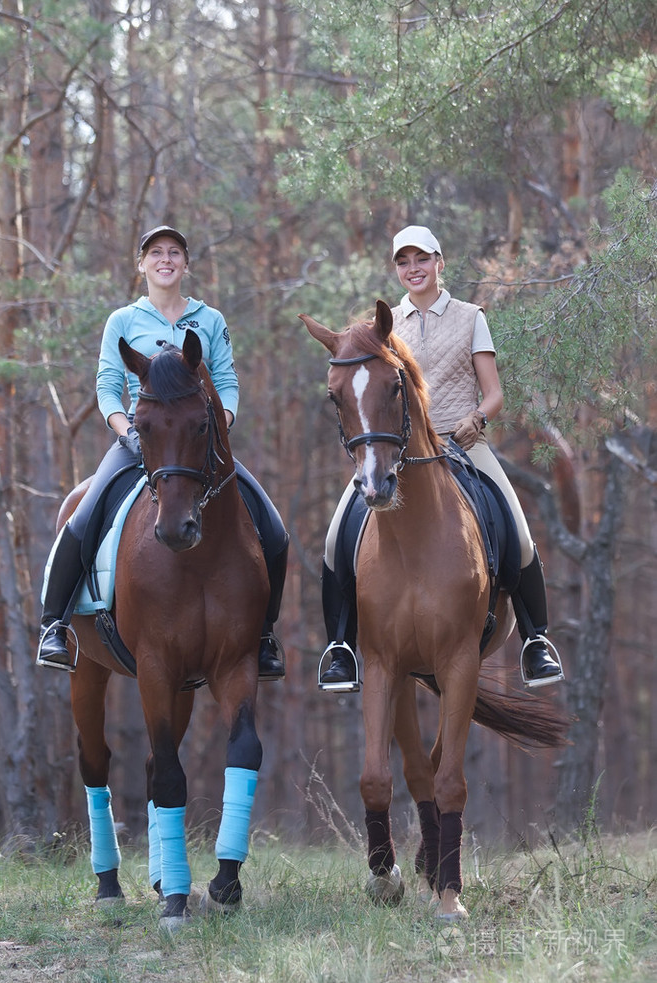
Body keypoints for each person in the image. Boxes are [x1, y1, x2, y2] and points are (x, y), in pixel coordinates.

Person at [37, 225, 288, 680]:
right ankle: (54, 624)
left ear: (186, 264)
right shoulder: (123, 320)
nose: (165, 259)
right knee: (84, 512)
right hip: (140, 439)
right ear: (142, 264)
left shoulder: (210, 320)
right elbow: (109, 388)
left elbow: (227, 383)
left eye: (175, 252)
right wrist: (126, 431)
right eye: (156, 253)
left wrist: (220, 427)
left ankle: (265, 635)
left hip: (200, 444)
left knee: (272, 526)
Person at [319, 224, 563, 689]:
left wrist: (477, 419)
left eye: (422, 260)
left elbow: (493, 394)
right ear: (397, 270)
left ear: (439, 262)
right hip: (400, 452)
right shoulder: (383, 326)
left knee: (521, 532)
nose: (414, 269)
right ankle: (340, 647)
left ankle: (536, 641)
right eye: (404, 262)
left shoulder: (471, 317)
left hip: (464, 442)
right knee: (335, 540)